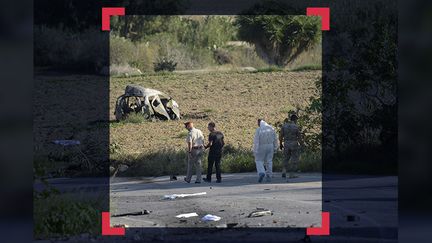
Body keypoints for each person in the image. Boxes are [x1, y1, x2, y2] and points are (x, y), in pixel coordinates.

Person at [279, 113, 303, 180]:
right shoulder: (296, 127)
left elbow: (281, 136)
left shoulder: (284, 126)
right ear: (295, 119)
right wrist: (301, 144)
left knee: (286, 158)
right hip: (294, 144)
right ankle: (291, 174)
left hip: (286, 143)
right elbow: (299, 137)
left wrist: (281, 144)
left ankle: (284, 170)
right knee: (294, 158)